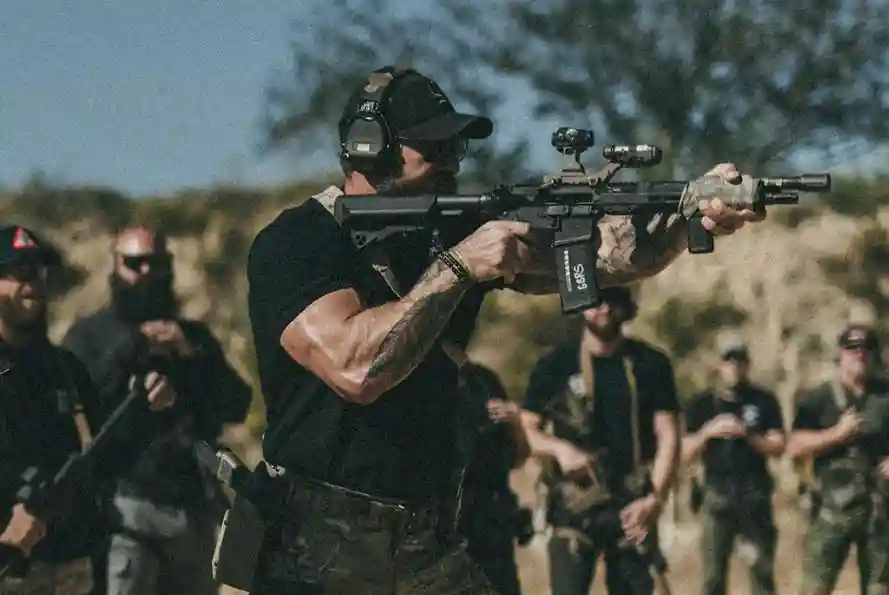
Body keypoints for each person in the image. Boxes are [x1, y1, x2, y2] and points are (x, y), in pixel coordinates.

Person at [244, 64, 766, 595]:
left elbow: (602, 253)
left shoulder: (445, 228)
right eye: (435, 149)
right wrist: (459, 266)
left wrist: (687, 214)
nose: (451, 164)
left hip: (426, 536)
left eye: (456, 149)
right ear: (370, 147)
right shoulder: (298, 242)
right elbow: (357, 369)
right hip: (317, 548)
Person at [61, 227, 252, 595]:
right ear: (116, 267)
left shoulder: (193, 337)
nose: (147, 272)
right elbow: (77, 402)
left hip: (191, 511)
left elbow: (236, 404)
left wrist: (192, 356)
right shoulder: (89, 336)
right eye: (135, 263)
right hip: (123, 509)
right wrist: (132, 349)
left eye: (157, 262)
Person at [0, 224, 175, 595]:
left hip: (73, 567)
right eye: (18, 272)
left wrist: (145, 412)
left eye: (39, 271)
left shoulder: (63, 369)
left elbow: (101, 460)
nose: (33, 284)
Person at [521, 286, 679, 595]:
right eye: (595, 299)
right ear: (579, 303)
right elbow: (527, 429)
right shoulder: (555, 365)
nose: (604, 308)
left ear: (627, 307)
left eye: (614, 300)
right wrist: (560, 450)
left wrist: (655, 499)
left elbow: (669, 435)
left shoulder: (650, 363)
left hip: (632, 506)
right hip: (573, 508)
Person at [787, 325, 889, 595]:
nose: (859, 354)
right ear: (841, 353)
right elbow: (794, 446)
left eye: (866, 348)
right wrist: (836, 434)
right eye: (852, 348)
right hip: (831, 512)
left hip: (880, 513)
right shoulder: (818, 398)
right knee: (815, 589)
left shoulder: (884, 395)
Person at [682, 340, 785, 595]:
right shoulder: (701, 403)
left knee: (761, 572)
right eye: (729, 361)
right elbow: (684, 452)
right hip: (716, 496)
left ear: (747, 365)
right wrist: (708, 431)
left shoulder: (763, 400)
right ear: (719, 365)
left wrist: (749, 436)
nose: (735, 368)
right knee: (713, 577)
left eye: (740, 361)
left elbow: (779, 445)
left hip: (754, 495)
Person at [450, 356, 531, 595]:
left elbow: (518, 458)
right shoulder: (421, 381)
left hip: (492, 524)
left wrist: (515, 424)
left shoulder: (483, 380)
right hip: (445, 526)